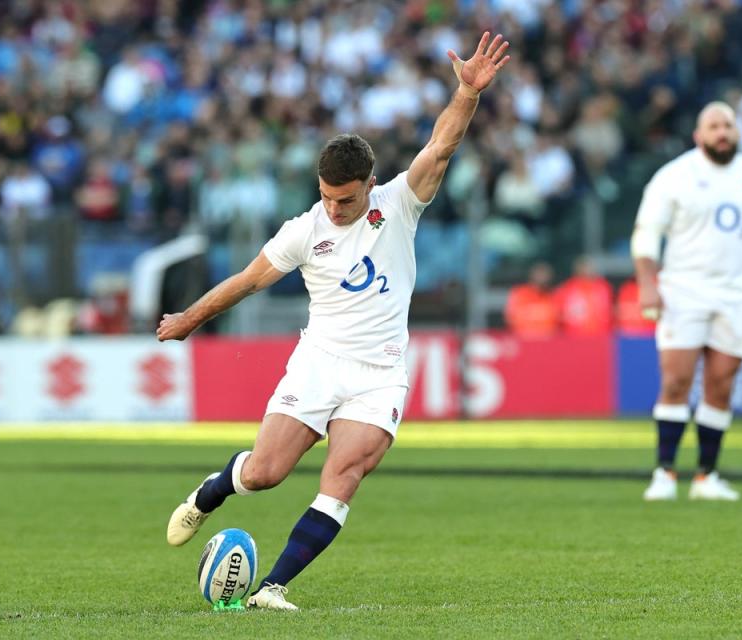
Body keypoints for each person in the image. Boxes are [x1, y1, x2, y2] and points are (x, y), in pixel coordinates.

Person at [157, 32, 510, 610]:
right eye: (326, 196)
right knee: (266, 472)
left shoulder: (398, 204)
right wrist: (189, 319)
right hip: (319, 362)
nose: (334, 208)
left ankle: (271, 588)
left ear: (369, 184)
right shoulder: (305, 230)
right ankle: (212, 491)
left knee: (342, 478)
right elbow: (248, 281)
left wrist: (467, 94)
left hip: (380, 373)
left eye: (345, 199)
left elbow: (441, 147)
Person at [631, 102, 742, 502]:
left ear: (738, 132)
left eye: (728, 125)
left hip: (736, 293)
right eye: (713, 126)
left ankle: (706, 477)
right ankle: (664, 473)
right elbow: (646, 234)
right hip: (684, 290)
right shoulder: (674, 176)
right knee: (676, 380)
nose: (722, 132)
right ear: (698, 135)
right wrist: (648, 283)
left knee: (721, 384)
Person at [554, 255, 613, 336]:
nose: (588, 270)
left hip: (601, 335)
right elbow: (558, 314)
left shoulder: (603, 287)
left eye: (590, 267)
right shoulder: (567, 288)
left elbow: (610, 310)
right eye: (584, 267)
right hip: (574, 336)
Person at [504, 261, 558, 337]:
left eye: (545, 274)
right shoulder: (520, 293)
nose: (543, 277)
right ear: (532, 275)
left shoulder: (555, 295)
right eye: (540, 274)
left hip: (549, 339)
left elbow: (558, 318)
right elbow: (512, 318)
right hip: (525, 338)